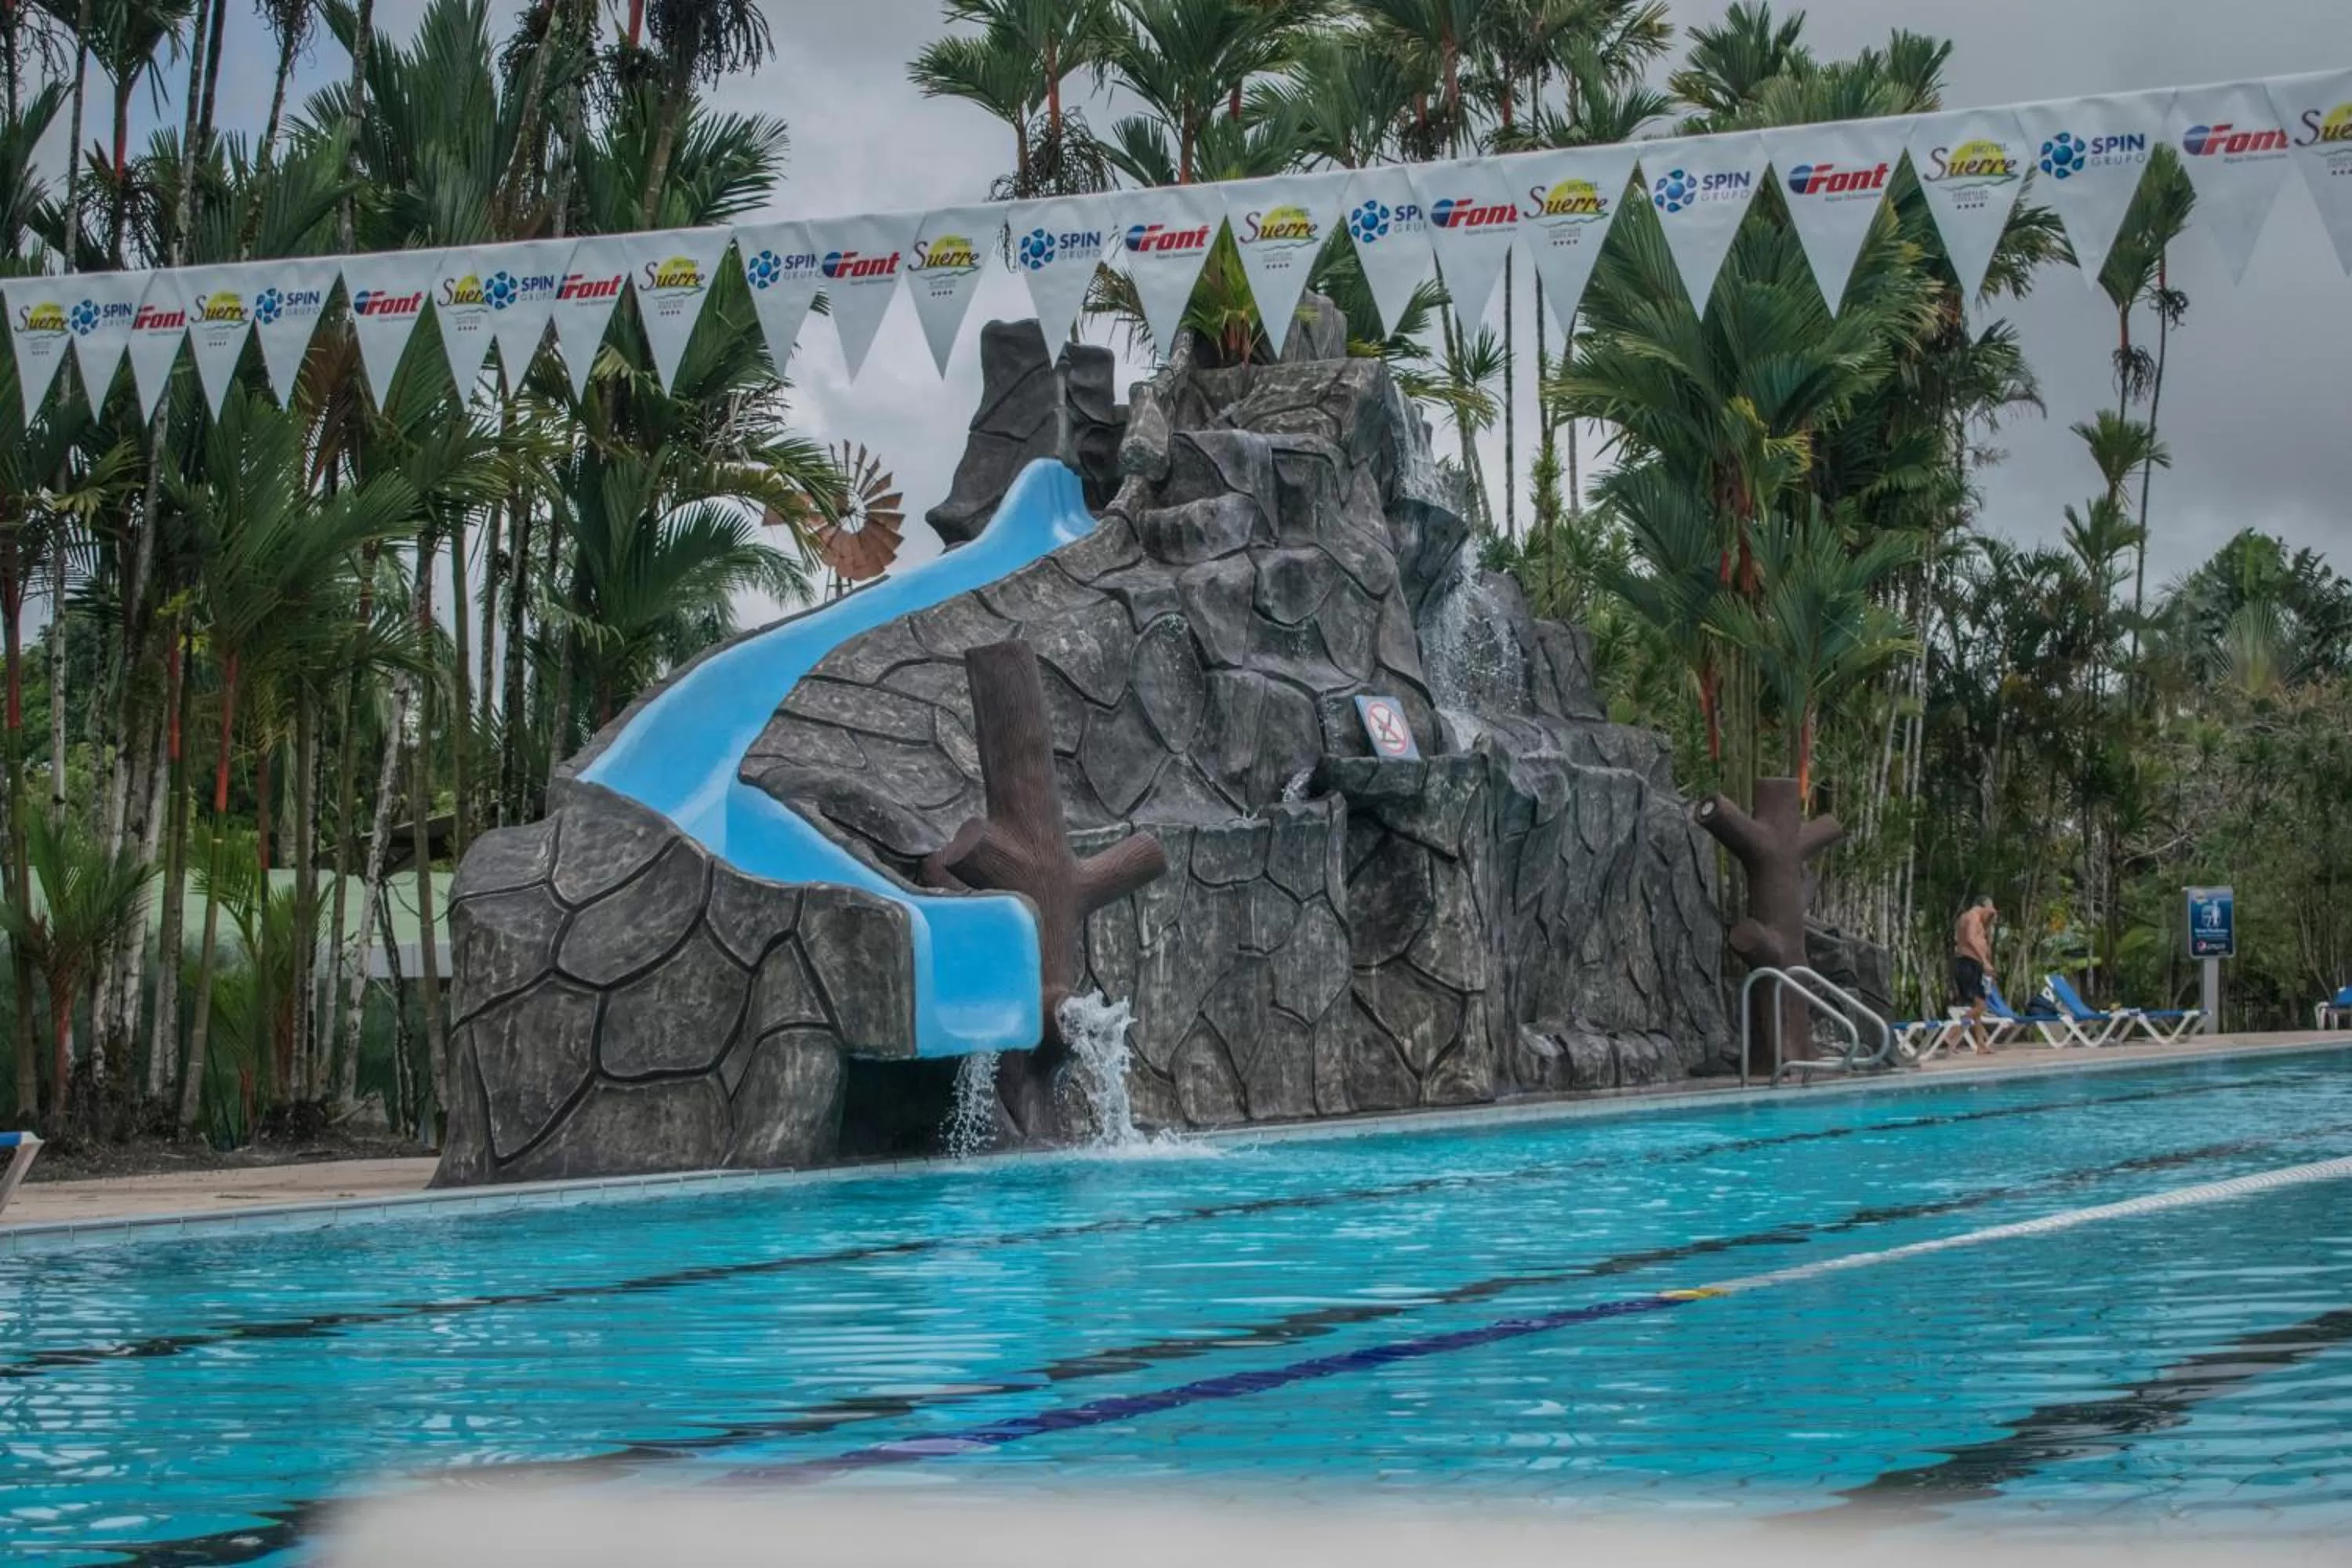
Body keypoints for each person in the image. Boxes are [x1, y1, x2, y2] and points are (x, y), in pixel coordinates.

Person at [1951, 895, 1998, 1054]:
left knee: (1977, 1005)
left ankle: (1981, 1044)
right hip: (1968, 963)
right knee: (1981, 1006)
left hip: (1970, 963)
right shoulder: (1972, 916)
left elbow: (1981, 939)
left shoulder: (1971, 918)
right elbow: (1971, 938)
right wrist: (1984, 961)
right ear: (1984, 906)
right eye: (1991, 908)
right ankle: (1954, 1031)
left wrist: (1989, 922)